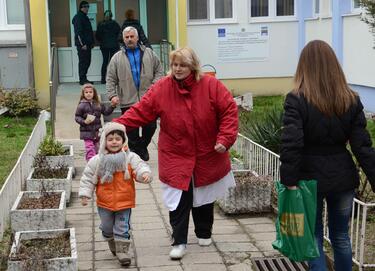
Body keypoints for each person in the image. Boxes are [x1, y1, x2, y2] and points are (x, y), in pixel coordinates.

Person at [112, 47, 238, 260]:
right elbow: (141, 110)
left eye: (183, 65)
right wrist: (117, 125)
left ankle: (204, 232)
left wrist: (224, 139)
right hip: (175, 151)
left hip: (206, 151)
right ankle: (179, 241)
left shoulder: (211, 85)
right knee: (178, 197)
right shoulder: (162, 87)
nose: (178, 69)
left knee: (203, 193)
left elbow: (229, 111)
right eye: (175, 65)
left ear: (193, 66)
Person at [280, 40, 375, 271]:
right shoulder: (350, 99)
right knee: (341, 235)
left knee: (313, 236)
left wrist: (289, 181)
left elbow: (292, 143)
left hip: (308, 179)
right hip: (342, 177)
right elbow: (362, 146)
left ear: (303, 66)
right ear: (335, 66)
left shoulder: (296, 99)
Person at [79, 122, 152, 266]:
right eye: (110, 139)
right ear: (104, 141)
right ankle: (111, 241)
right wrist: (85, 194)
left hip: (124, 201)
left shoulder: (129, 158)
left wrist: (144, 174)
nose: (114, 142)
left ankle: (123, 251)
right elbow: (88, 177)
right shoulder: (98, 160)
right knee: (107, 227)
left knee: (122, 227)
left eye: (118, 139)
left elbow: (139, 166)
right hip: (104, 202)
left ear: (123, 140)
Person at [107, 26, 163, 161]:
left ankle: (142, 147)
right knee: (131, 132)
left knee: (151, 127)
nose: (130, 39)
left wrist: (154, 87)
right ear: (123, 39)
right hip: (127, 99)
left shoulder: (149, 53)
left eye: (132, 37)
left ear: (137, 38)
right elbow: (110, 78)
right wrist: (112, 95)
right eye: (127, 37)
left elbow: (159, 71)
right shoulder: (116, 58)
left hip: (148, 100)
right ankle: (137, 151)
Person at [75, 83, 116, 161]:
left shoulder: (98, 104)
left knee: (98, 148)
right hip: (86, 132)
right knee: (89, 148)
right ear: (83, 94)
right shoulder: (81, 105)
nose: (88, 94)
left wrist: (112, 106)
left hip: (97, 131)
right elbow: (77, 117)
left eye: (90, 92)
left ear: (94, 93)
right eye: (86, 92)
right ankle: (91, 163)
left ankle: (98, 163)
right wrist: (84, 121)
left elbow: (106, 112)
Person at [72, 1, 95, 85]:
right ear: (81, 7)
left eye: (88, 7)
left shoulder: (85, 17)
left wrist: (91, 43)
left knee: (87, 61)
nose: (87, 8)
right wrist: (82, 44)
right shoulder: (78, 17)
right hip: (83, 45)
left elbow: (88, 31)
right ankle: (82, 79)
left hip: (87, 44)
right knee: (83, 62)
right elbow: (78, 33)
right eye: (85, 7)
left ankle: (84, 78)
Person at [96, 10, 121, 84]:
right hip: (114, 45)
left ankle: (103, 79)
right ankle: (113, 80)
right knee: (113, 63)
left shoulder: (101, 24)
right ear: (111, 16)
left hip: (104, 46)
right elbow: (119, 33)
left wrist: (102, 41)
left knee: (105, 62)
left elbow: (97, 35)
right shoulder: (115, 24)